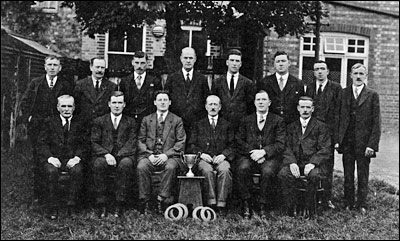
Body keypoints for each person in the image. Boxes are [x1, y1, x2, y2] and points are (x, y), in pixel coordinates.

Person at [19, 55, 74, 203]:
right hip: (37, 125)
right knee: (39, 158)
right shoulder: (36, 83)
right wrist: (29, 117)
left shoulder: (65, 84)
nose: (52, 67)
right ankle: (40, 194)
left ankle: (59, 192)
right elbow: (25, 102)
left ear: (60, 68)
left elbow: (71, 103)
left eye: (55, 65)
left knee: (57, 154)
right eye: (49, 64)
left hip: (56, 126)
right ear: (45, 67)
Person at [335, 63, 381, 214]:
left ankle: (362, 203)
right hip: (347, 141)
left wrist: (372, 145)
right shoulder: (343, 93)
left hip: (363, 142)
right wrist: (337, 139)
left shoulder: (372, 95)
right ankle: (348, 202)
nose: (358, 76)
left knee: (363, 173)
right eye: (356, 74)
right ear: (350, 75)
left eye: (362, 74)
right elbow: (338, 117)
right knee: (348, 173)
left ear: (366, 76)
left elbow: (376, 122)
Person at [235, 90, 286, 219]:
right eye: (258, 100)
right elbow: (239, 140)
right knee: (242, 168)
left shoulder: (278, 120)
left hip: (269, 157)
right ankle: (247, 203)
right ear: (254, 103)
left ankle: (263, 205)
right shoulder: (246, 120)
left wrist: (264, 152)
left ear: (269, 102)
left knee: (268, 171)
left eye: (264, 100)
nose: (261, 102)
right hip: (249, 155)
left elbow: (280, 143)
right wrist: (253, 152)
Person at [278, 96, 331, 218]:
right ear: (298, 108)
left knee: (314, 175)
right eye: (302, 107)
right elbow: (285, 147)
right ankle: (291, 208)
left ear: (312, 109)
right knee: (283, 174)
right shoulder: (291, 126)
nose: (305, 110)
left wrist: (313, 163)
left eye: (308, 107)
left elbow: (325, 149)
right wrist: (291, 162)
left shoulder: (321, 126)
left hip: (313, 164)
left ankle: (309, 208)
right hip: (295, 162)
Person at [37, 95, 88, 220]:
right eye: (63, 106)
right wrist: (50, 158)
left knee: (77, 170)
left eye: (69, 106)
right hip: (54, 158)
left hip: (72, 159)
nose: (66, 109)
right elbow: (41, 143)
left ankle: (71, 205)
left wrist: (77, 157)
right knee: (51, 171)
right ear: (58, 107)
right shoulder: (49, 122)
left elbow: (85, 144)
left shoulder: (80, 123)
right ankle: (53, 206)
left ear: (74, 108)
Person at [136, 90, 186, 215]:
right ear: (155, 102)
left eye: (165, 100)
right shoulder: (147, 120)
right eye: (160, 100)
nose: (162, 102)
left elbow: (181, 142)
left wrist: (166, 155)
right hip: (150, 156)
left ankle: (161, 200)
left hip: (170, 156)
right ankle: (146, 201)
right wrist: (149, 155)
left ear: (170, 102)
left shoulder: (176, 120)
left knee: (170, 167)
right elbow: (140, 141)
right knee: (142, 166)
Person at [91, 91, 137, 218]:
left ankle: (119, 203)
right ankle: (102, 204)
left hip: (124, 155)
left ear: (124, 105)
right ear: (109, 104)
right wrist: (106, 154)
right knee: (99, 164)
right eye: (114, 103)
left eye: (120, 103)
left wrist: (119, 156)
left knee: (126, 164)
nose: (117, 106)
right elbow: (94, 142)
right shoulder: (99, 121)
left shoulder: (131, 122)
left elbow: (132, 142)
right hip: (104, 155)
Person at [187, 95, 235, 214]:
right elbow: (191, 144)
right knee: (207, 170)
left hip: (221, 158)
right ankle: (211, 203)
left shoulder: (227, 124)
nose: (213, 107)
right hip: (204, 159)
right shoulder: (198, 124)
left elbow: (233, 145)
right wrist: (201, 154)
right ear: (205, 107)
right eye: (210, 104)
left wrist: (224, 155)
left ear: (220, 107)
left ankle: (221, 204)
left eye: (215, 105)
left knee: (225, 170)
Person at [304, 60, 342, 210]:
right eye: (316, 69)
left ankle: (326, 198)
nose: (319, 72)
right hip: (313, 132)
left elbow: (339, 114)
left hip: (329, 134)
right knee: (313, 162)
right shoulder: (310, 88)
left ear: (327, 72)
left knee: (327, 165)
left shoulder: (336, 88)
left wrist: (338, 138)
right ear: (313, 73)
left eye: (322, 69)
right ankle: (312, 195)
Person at [164, 47, 209, 141]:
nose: (188, 61)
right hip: (177, 120)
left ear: (195, 59)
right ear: (181, 59)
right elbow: (167, 99)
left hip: (196, 121)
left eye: (191, 58)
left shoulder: (202, 79)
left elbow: (206, 99)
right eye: (185, 58)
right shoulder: (172, 78)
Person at [212, 49, 256, 131]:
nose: (234, 63)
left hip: (240, 126)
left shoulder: (248, 83)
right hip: (222, 126)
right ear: (227, 62)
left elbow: (250, 107)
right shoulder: (217, 82)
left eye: (237, 61)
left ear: (240, 64)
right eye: (232, 60)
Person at [256, 51, 304, 125]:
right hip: (270, 125)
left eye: (283, 61)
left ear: (289, 63)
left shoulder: (298, 83)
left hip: (291, 125)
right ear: (274, 65)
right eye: (278, 61)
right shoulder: (264, 82)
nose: (281, 64)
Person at [119, 51, 162, 130]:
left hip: (148, 122)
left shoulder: (155, 81)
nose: (139, 66)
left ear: (147, 63)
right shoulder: (125, 81)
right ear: (132, 63)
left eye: (142, 63)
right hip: (129, 121)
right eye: (137, 62)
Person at [73, 57, 117, 124]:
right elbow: (76, 106)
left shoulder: (112, 86)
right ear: (91, 67)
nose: (100, 70)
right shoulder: (81, 84)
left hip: (103, 126)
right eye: (97, 67)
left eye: (102, 68)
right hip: (84, 125)